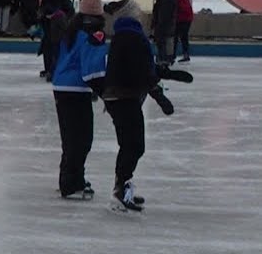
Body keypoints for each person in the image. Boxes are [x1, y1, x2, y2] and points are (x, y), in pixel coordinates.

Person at [101, 16, 174, 212]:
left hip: (116, 98)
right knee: (134, 146)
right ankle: (119, 192)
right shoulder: (135, 40)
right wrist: (159, 95)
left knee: (130, 145)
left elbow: (135, 68)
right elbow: (141, 71)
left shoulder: (119, 39)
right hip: (126, 98)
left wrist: (161, 73)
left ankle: (122, 188)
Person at [50, 12, 108, 199]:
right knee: (81, 139)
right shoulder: (91, 37)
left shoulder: (72, 32)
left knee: (70, 138)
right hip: (76, 89)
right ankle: (72, 183)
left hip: (62, 86)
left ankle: (68, 178)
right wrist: (106, 93)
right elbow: (92, 70)